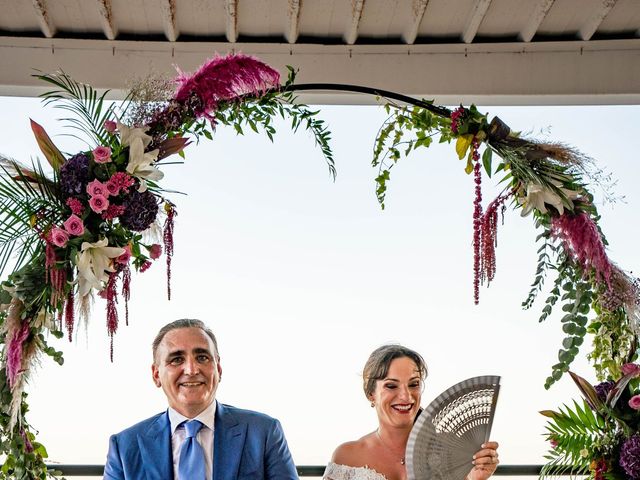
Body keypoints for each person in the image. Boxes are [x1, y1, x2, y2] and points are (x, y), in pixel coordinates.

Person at [104, 318, 298, 479]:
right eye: (177, 359)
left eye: (202, 357)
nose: (192, 369)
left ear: (218, 369)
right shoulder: (124, 447)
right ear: (156, 375)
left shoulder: (263, 432)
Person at [323, 344, 500, 480]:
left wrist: (473, 479)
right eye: (391, 386)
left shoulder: (453, 452)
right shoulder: (347, 456)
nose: (406, 396)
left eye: (413, 384)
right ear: (371, 394)